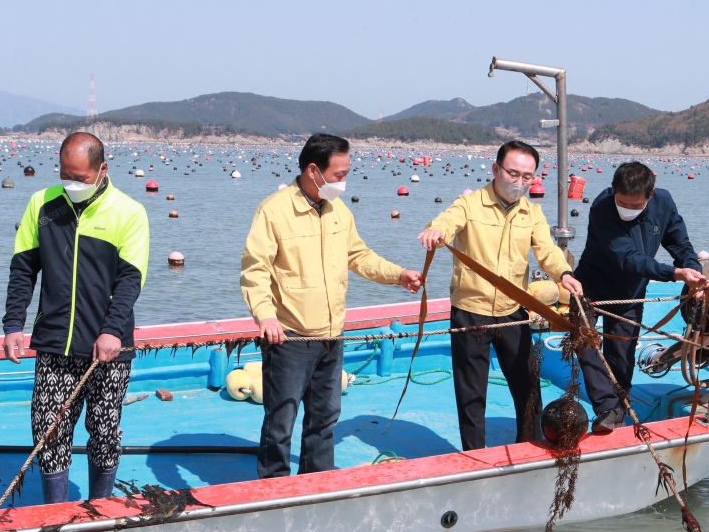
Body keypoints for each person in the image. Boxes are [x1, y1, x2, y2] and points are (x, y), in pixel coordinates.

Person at [241, 134, 423, 478]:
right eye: (339, 174)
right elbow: (255, 270)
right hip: (289, 337)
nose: (343, 181)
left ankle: (317, 483)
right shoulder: (273, 211)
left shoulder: (338, 210)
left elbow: (358, 255)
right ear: (314, 171)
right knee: (280, 421)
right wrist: (265, 316)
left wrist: (398, 275)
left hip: (332, 335)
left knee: (325, 419)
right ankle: (272, 488)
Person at [2, 132, 150, 503]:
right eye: (64, 175)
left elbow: (131, 280)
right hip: (54, 341)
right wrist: (13, 324)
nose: (71, 184)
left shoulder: (129, 212)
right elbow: (23, 268)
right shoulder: (43, 204)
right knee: (48, 430)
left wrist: (112, 331)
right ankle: (55, 510)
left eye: (80, 178)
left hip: (109, 347)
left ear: (103, 169)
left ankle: (100, 505)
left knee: (104, 430)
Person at [417, 140, 582, 450]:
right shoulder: (469, 204)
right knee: (471, 394)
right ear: (496, 169)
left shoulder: (532, 212)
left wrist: (565, 273)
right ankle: (475, 457)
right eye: (513, 173)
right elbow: (446, 222)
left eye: (527, 176)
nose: (519, 182)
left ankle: (528, 449)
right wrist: (435, 231)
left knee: (529, 389)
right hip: (471, 311)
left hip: (512, 311)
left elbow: (547, 251)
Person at [572, 161, 704, 433]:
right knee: (584, 339)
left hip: (631, 289)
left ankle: (618, 410)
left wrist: (694, 273)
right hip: (591, 285)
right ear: (613, 189)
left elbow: (680, 244)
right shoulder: (602, 208)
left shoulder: (663, 203)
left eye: (636, 205)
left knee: (622, 353)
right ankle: (606, 407)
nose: (628, 209)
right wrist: (675, 274)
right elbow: (628, 258)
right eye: (622, 203)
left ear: (650, 195)